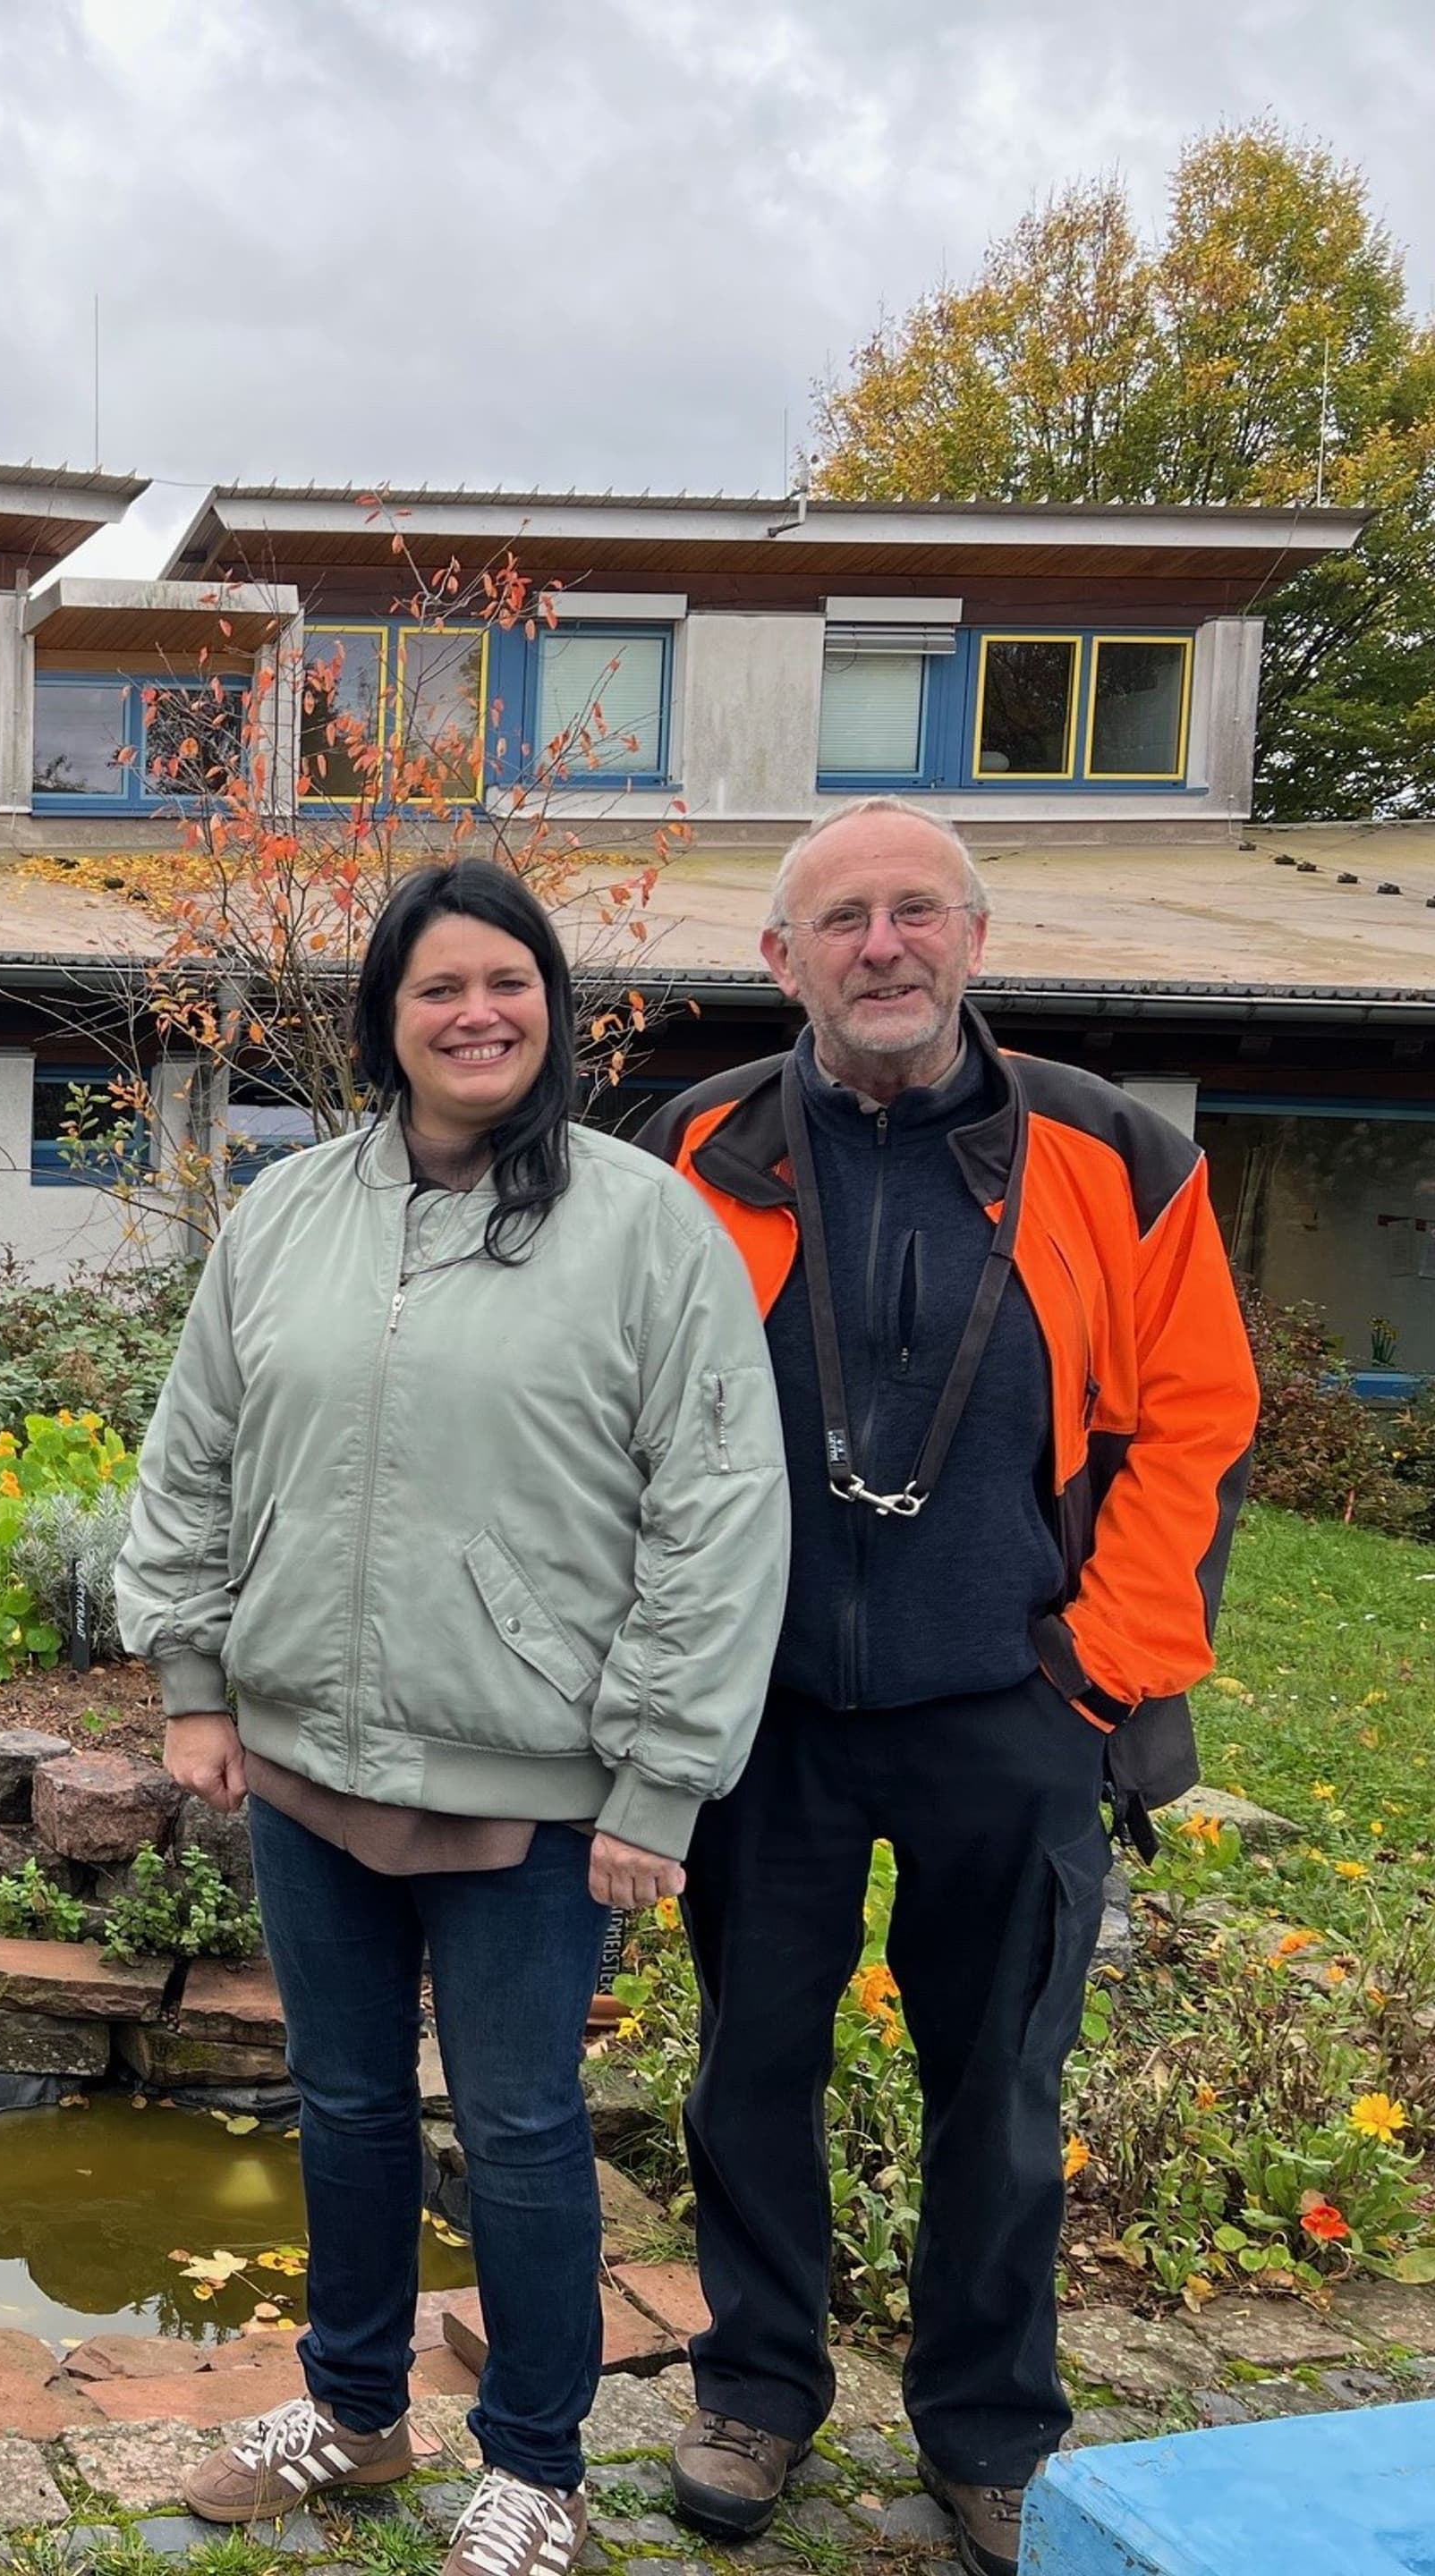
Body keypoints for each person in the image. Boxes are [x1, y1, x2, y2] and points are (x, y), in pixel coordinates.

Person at [119, 860, 790, 2576]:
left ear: (553, 1009)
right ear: (385, 1022)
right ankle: (353, 2410)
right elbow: (194, 1450)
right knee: (341, 2106)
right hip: (303, 1764)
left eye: (508, 980)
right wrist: (196, 1679)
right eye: (436, 988)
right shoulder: (287, 1212)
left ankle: (536, 2466)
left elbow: (718, 1513)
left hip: (532, 1788)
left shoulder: (645, 1226)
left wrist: (657, 1778)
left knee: (517, 2129)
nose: (475, 1011)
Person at [643, 799, 1256, 2576]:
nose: (884, 946)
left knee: (997, 2086)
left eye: (919, 913)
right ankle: (756, 2390)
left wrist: (1101, 1669)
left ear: (977, 940)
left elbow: (1196, 1424)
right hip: (760, 1715)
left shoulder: (1117, 1155)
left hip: (1012, 1703)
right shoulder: (690, 1146)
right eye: (843, 921)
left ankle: (990, 2435)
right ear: (782, 962)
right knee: (750, 2065)